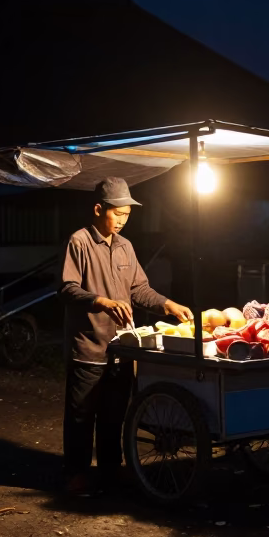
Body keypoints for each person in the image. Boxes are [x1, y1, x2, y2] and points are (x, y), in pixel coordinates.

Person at [58, 177, 193, 496]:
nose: (121, 220)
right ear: (97, 209)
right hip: (88, 346)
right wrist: (101, 301)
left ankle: (109, 468)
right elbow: (67, 289)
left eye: (127, 215)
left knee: (114, 413)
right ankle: (76, 472)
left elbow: (139, 289)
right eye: (117, 213)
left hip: (122, 346)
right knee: (81, 415)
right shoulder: (78, 242)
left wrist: (167, 304)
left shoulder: (126, 247)